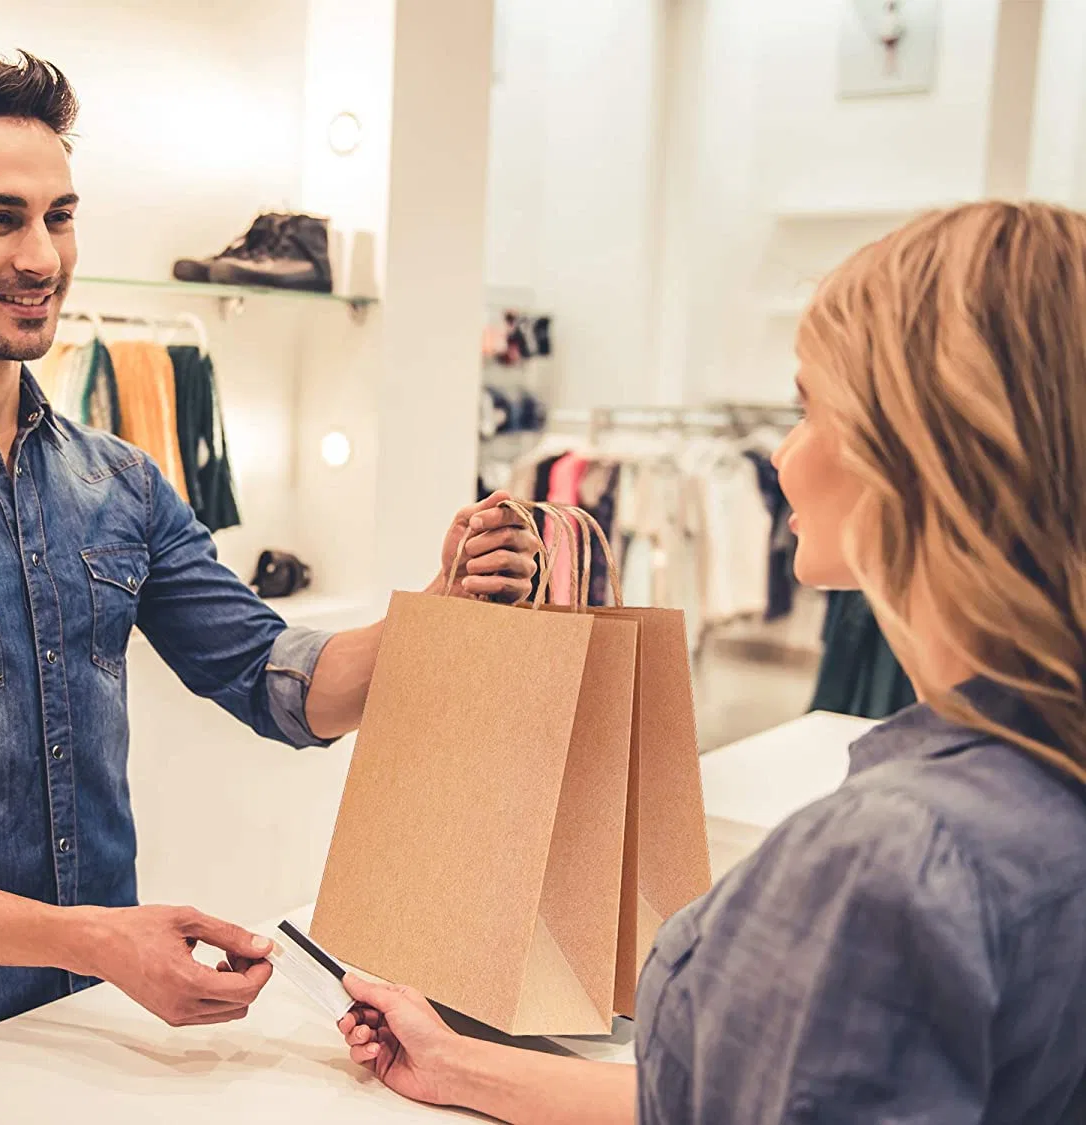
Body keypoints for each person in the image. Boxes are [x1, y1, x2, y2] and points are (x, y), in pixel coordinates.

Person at [0, 51, 536, 1100]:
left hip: (97, 1047)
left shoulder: (118, 484)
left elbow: (275, 679)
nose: (41, 256)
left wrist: (442, 616)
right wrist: (100, 940)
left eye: (60, 216)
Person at [336, 201, 1086, 1122]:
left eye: (811, 408)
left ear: (921, 453)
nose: (780, 453)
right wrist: (462, 1070)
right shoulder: (1042, 776)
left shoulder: (897, 858)